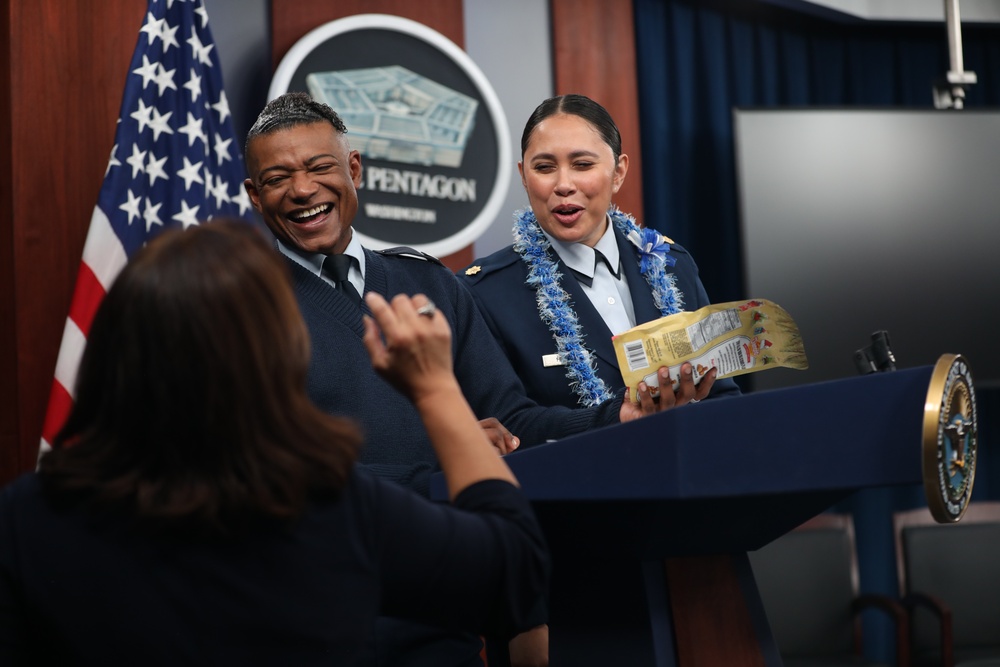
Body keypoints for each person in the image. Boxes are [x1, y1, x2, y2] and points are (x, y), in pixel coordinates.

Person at [241, 92, 710, 667]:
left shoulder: (431, 285)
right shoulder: (239, 309)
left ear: (353, 169)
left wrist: (616, 417)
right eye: (278, 177)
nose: (303, 189)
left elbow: (512, 421)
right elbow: (257, 472)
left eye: (318, 168)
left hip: (443, 620)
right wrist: (450, 465)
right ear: (255, 196)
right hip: (311, 618)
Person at [0, 221, 549, 666]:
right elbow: (514, 573)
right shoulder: (325, 506)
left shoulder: (26, 516)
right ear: (273, 359)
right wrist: (436, 389)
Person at [460, 94, 741, 411]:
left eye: (582, 165)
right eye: (544, 167)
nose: (564, 184)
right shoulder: (483, 293)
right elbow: (508, 423)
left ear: (618, 172)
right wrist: (614, 419)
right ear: (524, 175)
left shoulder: (672, 265)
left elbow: (722, 396)